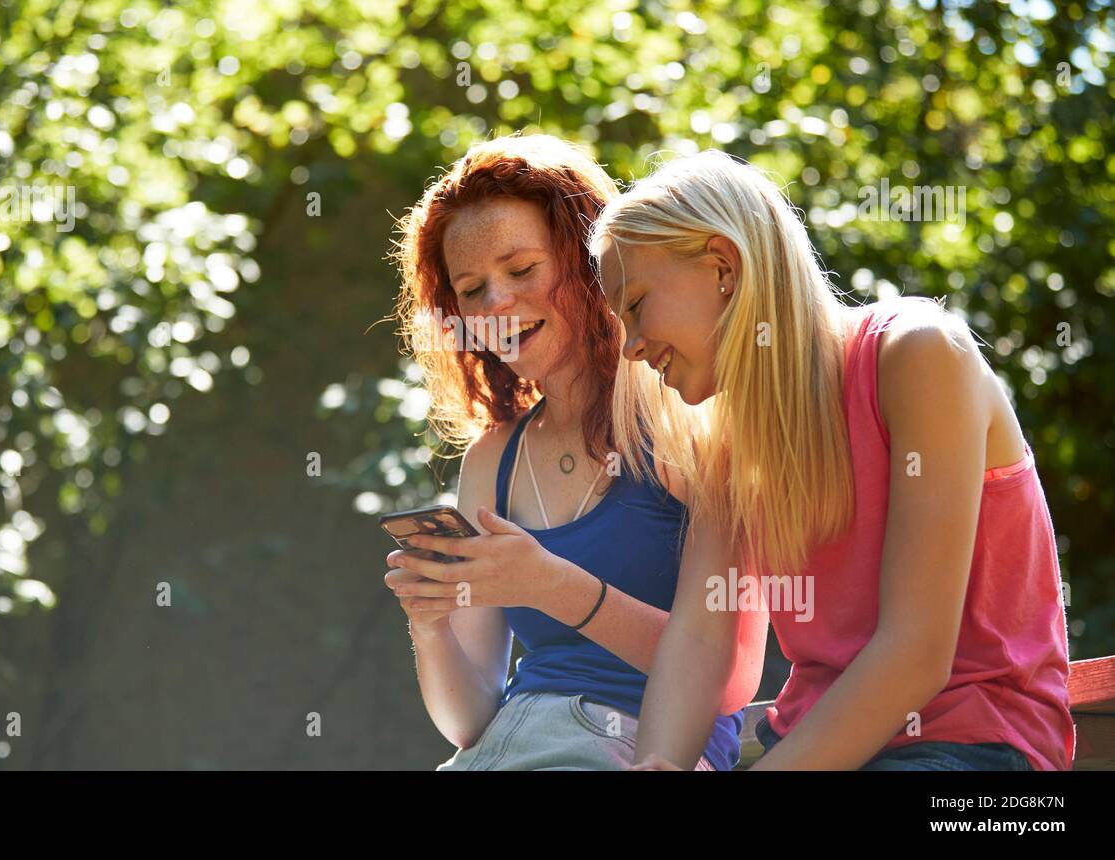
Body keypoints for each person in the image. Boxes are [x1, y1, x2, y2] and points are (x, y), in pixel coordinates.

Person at [590, 149, 1074, 771]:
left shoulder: (917, 355)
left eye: (634, 306)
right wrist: (655, 761)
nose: (628, 348)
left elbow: (916, 654)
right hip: (813, 750)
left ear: (722, 267)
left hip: (970, 747)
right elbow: (699, 637)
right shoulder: (727, 441)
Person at [386, 135, 763, 770]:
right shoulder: (493, 459)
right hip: (504, 748)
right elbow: (471, 719)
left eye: (522, 270)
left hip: (627, 745)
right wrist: (429, 625)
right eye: (471, 289)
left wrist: (550, 584)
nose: (496, 304)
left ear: (591, 262)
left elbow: (730, 678)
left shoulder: (687, 417)